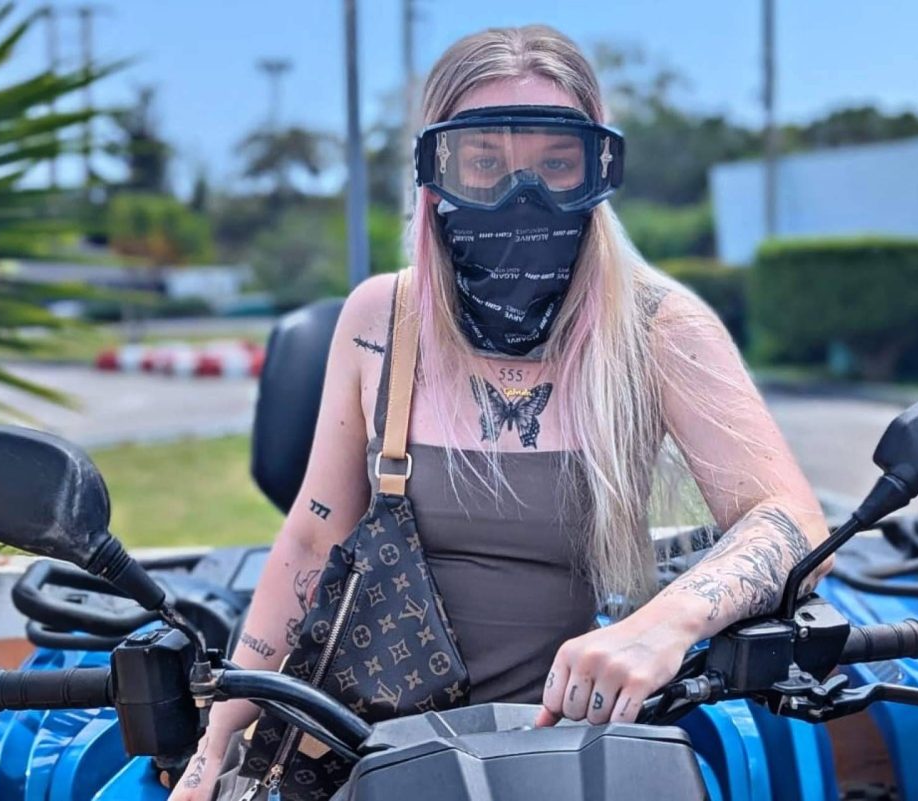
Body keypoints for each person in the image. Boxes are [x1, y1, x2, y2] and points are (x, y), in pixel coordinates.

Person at [170, 23, 829, 800]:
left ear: (598, 172)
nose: (524, 197)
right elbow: (313, 539)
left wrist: (663, 624)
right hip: (370, 749)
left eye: (557, 166)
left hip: (567, 755)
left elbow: (790, 521)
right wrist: (218, 740)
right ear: (435, 172)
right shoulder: (382, 320)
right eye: (484, 164)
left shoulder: (657, 329)